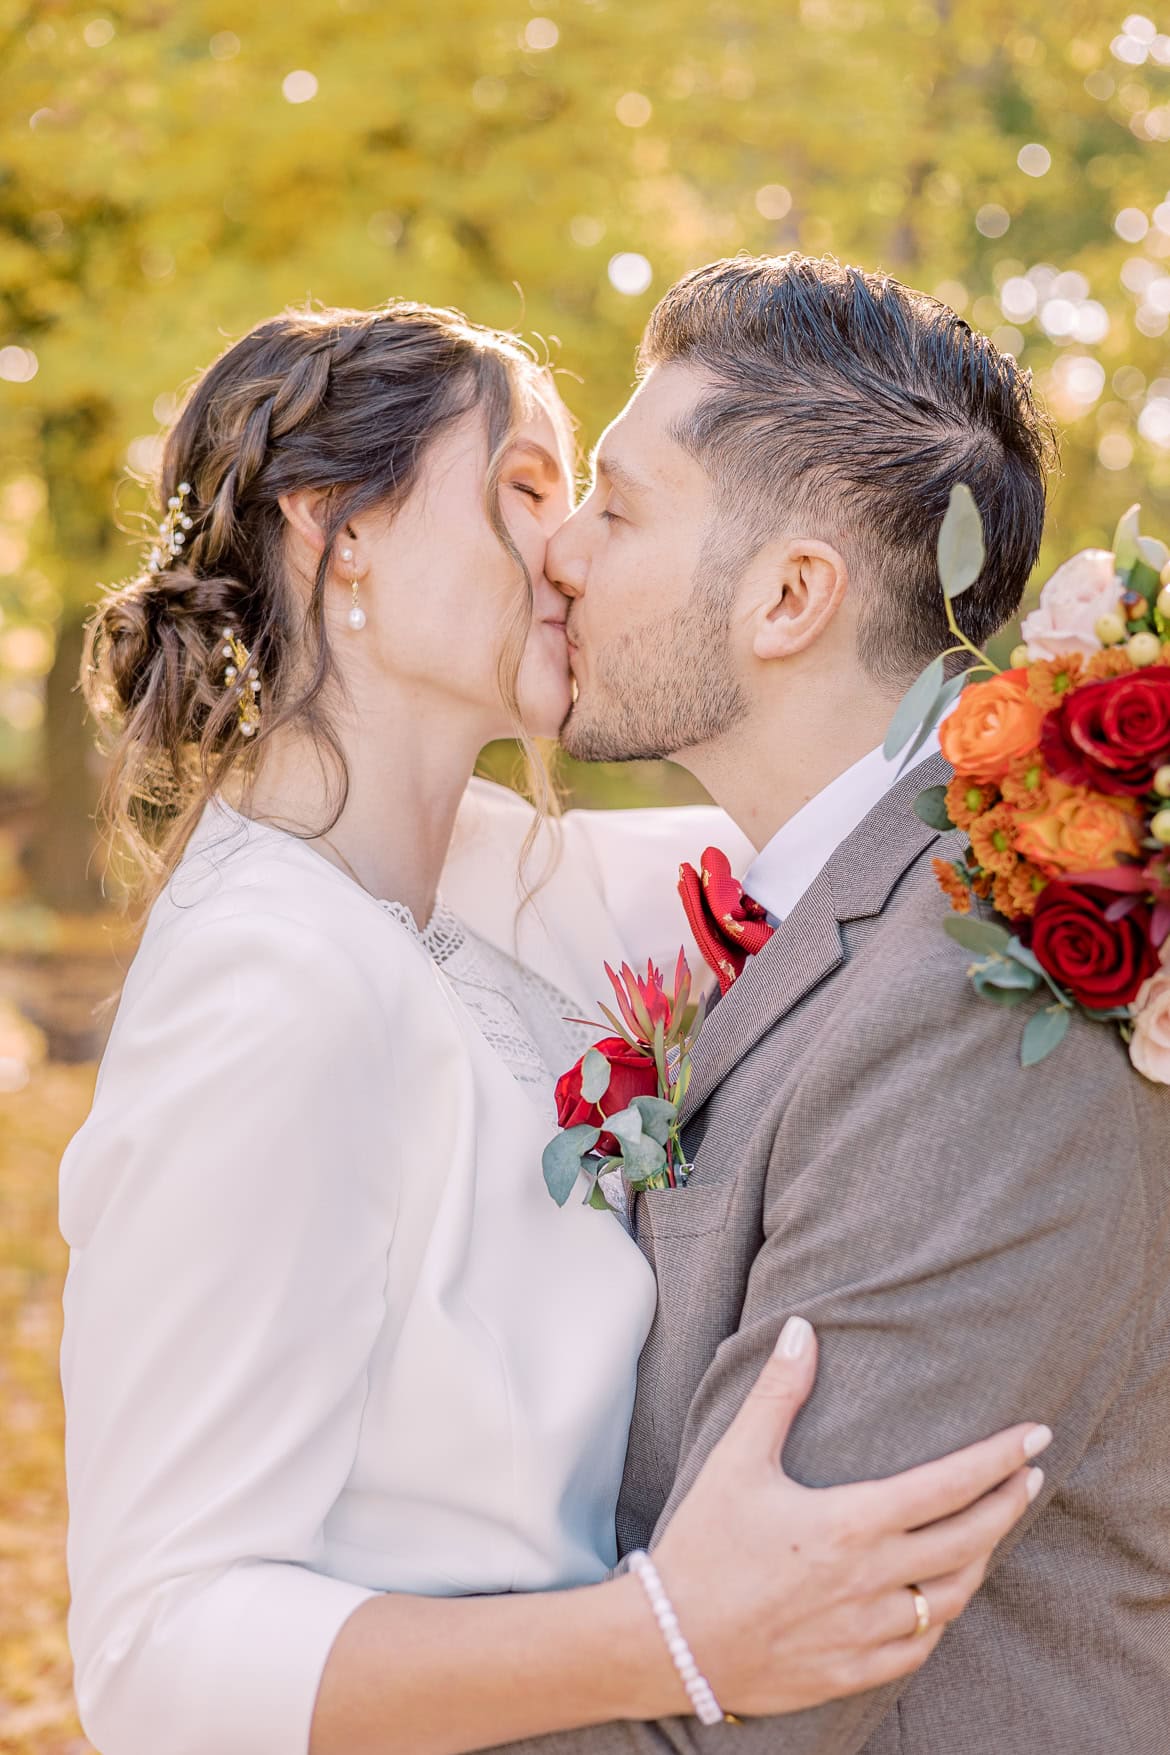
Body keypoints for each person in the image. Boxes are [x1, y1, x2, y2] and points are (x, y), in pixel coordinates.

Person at [58, 297, 1046, 1755]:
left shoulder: (510, 886)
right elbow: (161, 1657)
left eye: (588, 496)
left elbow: (874, 831)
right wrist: (665, 1640)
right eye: (525, 488)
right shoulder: (268, 982)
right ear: (342, 534)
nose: (570, 549)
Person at [476, 255, 1170, 1755]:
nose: (560, 554)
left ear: (789, 595)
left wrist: (290, 1695)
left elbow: (751, 1708)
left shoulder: (975, 1009)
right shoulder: (822, 908)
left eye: (617, 502)